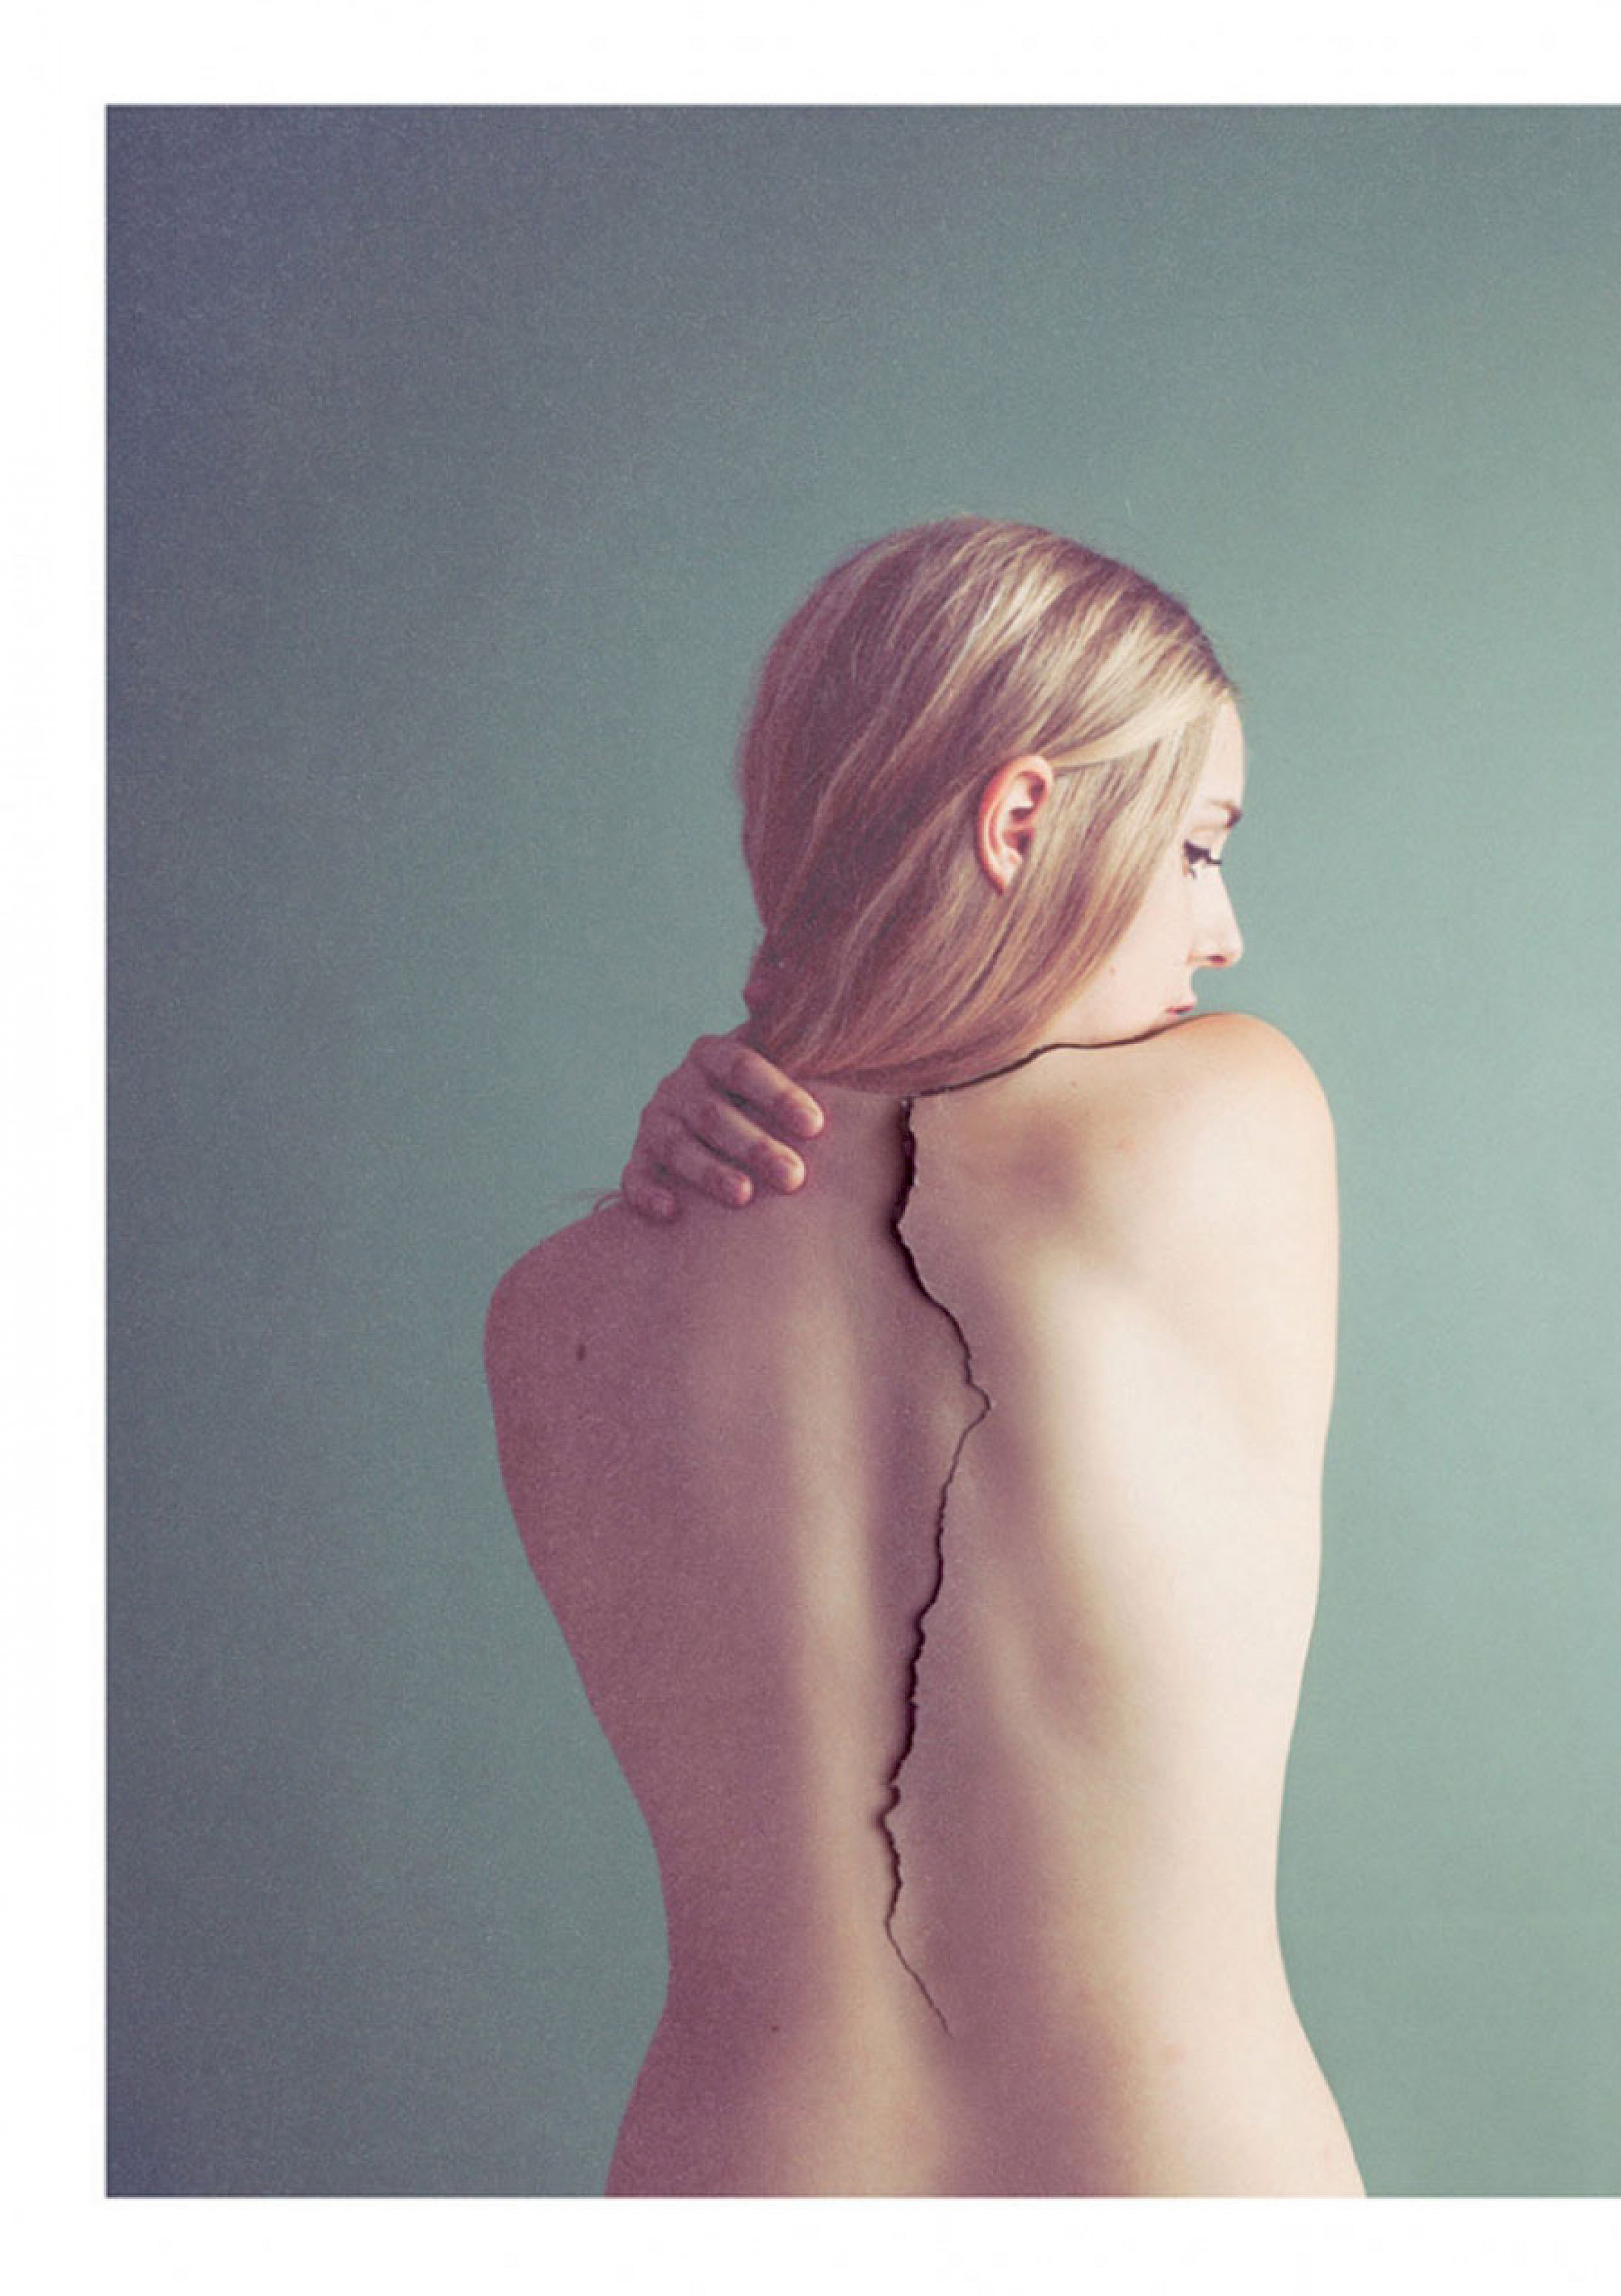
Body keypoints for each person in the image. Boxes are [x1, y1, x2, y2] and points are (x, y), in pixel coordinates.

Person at [484, 518, 1362, 2196]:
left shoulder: (553, 1310)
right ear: (1019, 819)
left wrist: (772, 1042)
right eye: (1193, 847)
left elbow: (864, 1130)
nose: (1222, 931)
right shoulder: (1231, 1116)